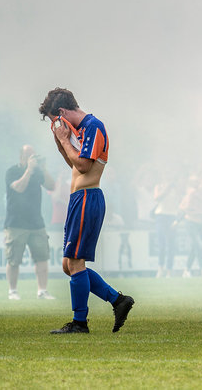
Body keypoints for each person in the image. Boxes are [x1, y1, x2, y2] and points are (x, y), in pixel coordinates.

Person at [39, 87, 134, 334]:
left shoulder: (94, 126)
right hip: (77, 199)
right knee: (68, 265)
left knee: (76, 262)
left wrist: (62, 139)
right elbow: (72, 161)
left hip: (88, 197)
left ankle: (79, 323)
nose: (56, 125)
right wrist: (60, 141)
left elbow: (82, 166)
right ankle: (118, 300)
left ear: (61, 112)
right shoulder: (80, 130)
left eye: (54, 119)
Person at [4, 145, 56, 300]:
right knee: (14, 259)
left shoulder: (38, 172)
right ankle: (12, 291)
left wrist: (43, 168)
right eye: (29, 155)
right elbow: (18, 188)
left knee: (42, 257)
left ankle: (42, 290)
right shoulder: (12, 171)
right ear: (22, 157)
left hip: (36, 222)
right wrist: (29, 170)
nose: (32, 158)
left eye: (34, 155)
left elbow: (51, 186)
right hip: (16, 223)